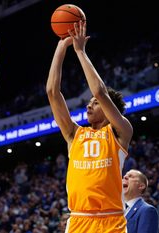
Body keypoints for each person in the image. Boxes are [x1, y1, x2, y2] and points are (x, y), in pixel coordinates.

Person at [46, 20, 133, 233]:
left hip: (110, 220)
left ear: (107, 108)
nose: (89, 104)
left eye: (94, 103)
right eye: (90, 102)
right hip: (78, 221)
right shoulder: (74, 134)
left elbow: (100, 92)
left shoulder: (120, 131)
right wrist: (60, 48)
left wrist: (80, 52)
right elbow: (52, 92)